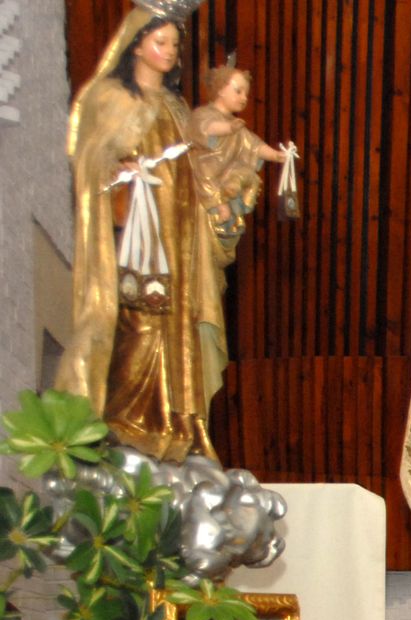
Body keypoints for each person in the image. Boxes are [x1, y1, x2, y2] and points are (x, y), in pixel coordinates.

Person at [57, 4, 226, 462]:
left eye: (174, 44)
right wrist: (120, 170)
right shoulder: (112, 98)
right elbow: (90, 161)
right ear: (135, 44)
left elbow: (197, 170)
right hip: (135, 241)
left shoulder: (174, 106)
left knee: (175, 331)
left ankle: (174, 424)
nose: (170, 51)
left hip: (177, 243)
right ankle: (125, 422)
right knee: (136, 325)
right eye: (161, 42)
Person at [188, 62, 288, 255]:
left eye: (246, 94)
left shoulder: (236, 126)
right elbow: (204, 128)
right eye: (238, 91)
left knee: (248, 177)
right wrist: (227, 128)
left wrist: (276, 155)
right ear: (220, 90)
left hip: (225, 177)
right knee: (207, 175)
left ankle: (232, 203)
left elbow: (254, 145)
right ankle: (219, 204)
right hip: (205, 177)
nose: (244, 98)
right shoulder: (204, 114)